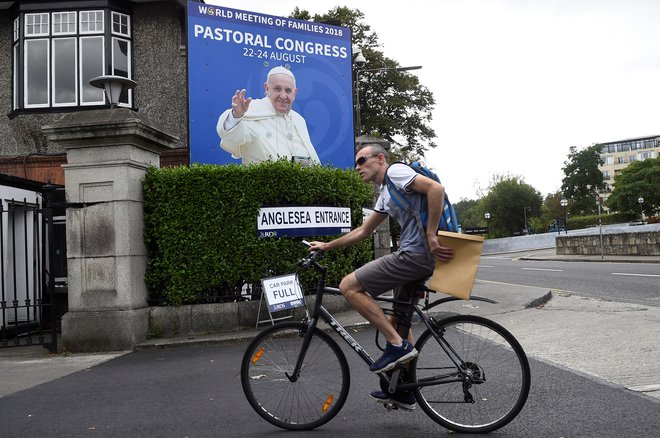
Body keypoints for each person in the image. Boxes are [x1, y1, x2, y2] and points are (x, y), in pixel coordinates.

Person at [308, 144, 454, 410]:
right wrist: (327, 246)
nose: (357, 167)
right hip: (418, 257)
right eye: (356, 163)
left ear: (380, 158)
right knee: (398, 319)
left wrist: (431, 235)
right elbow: (363, 231)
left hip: (415, 255)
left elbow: (436, 189)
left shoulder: (397, 172)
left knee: (348, 286)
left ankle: (397, 347)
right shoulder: (386, 192)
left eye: (362, 160)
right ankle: (404, 390)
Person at [216, 66, 320, 165]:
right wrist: (236, 115)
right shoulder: (251, 110)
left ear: (295, 93)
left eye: (288, 90)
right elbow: (233, 135)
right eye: (277, 89)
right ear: (267, 88)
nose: (283, 96)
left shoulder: (299, 120)